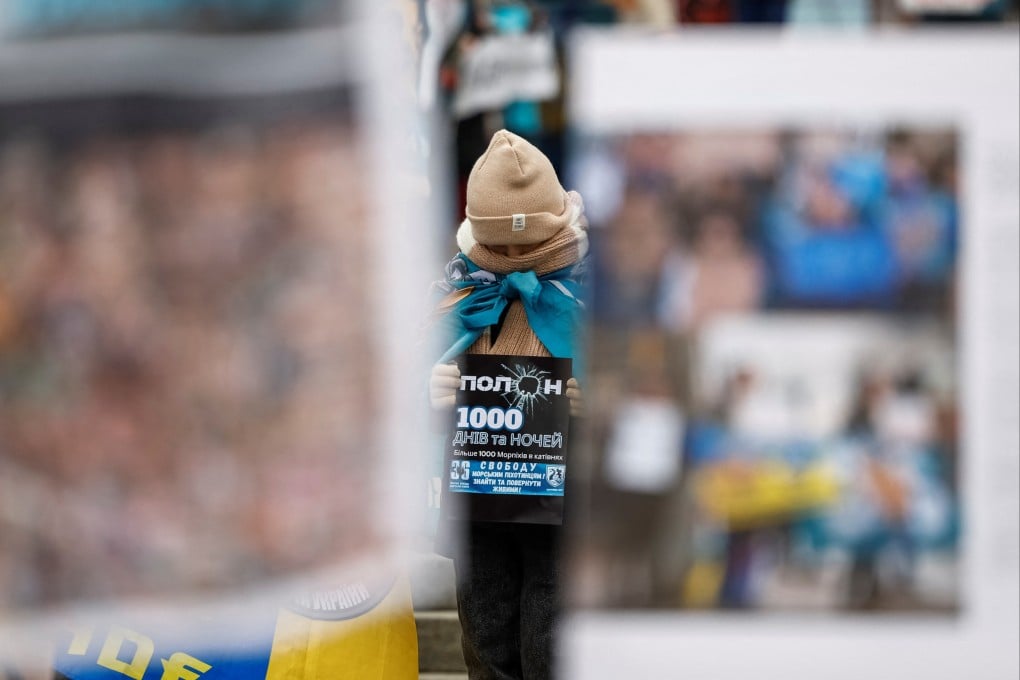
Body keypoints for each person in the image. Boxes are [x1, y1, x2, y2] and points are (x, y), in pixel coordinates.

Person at [429, 129, 587, 680]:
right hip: (478, 497)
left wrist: (591, 400)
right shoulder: (457, 294)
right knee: (484, 627)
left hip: (559, 499)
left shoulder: (585, 296)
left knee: (551, 630)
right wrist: (430, 390)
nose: (518, 261)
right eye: (505, 250)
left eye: (529, 248)